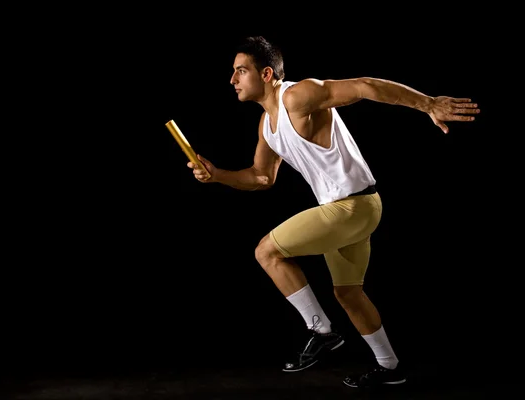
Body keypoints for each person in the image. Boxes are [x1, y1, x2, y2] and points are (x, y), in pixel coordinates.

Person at [186, 36, 479, 388]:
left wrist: (428, 103)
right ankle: (390, 367)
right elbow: (261, 177)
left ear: (265, 74)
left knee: (266, 250)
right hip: (349, 210)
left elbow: (364, 85)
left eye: (240, 71)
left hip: (352, 207)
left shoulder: (297, 96)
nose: (232, 80)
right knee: (348, 293)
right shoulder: (267, 126)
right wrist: (216, 175)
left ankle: (321, 331)